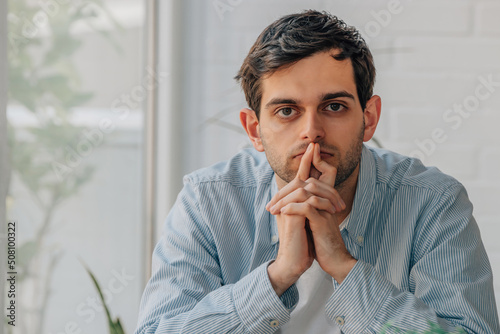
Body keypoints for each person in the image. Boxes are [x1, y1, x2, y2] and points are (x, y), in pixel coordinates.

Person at [135, 10, 500, 334]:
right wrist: (278, 276)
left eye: (334, 106)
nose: (312, 130)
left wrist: (342, 264)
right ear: (253, 130)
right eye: (287, 111)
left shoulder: (433, 202)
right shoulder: (208, 200)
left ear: (369, 118)